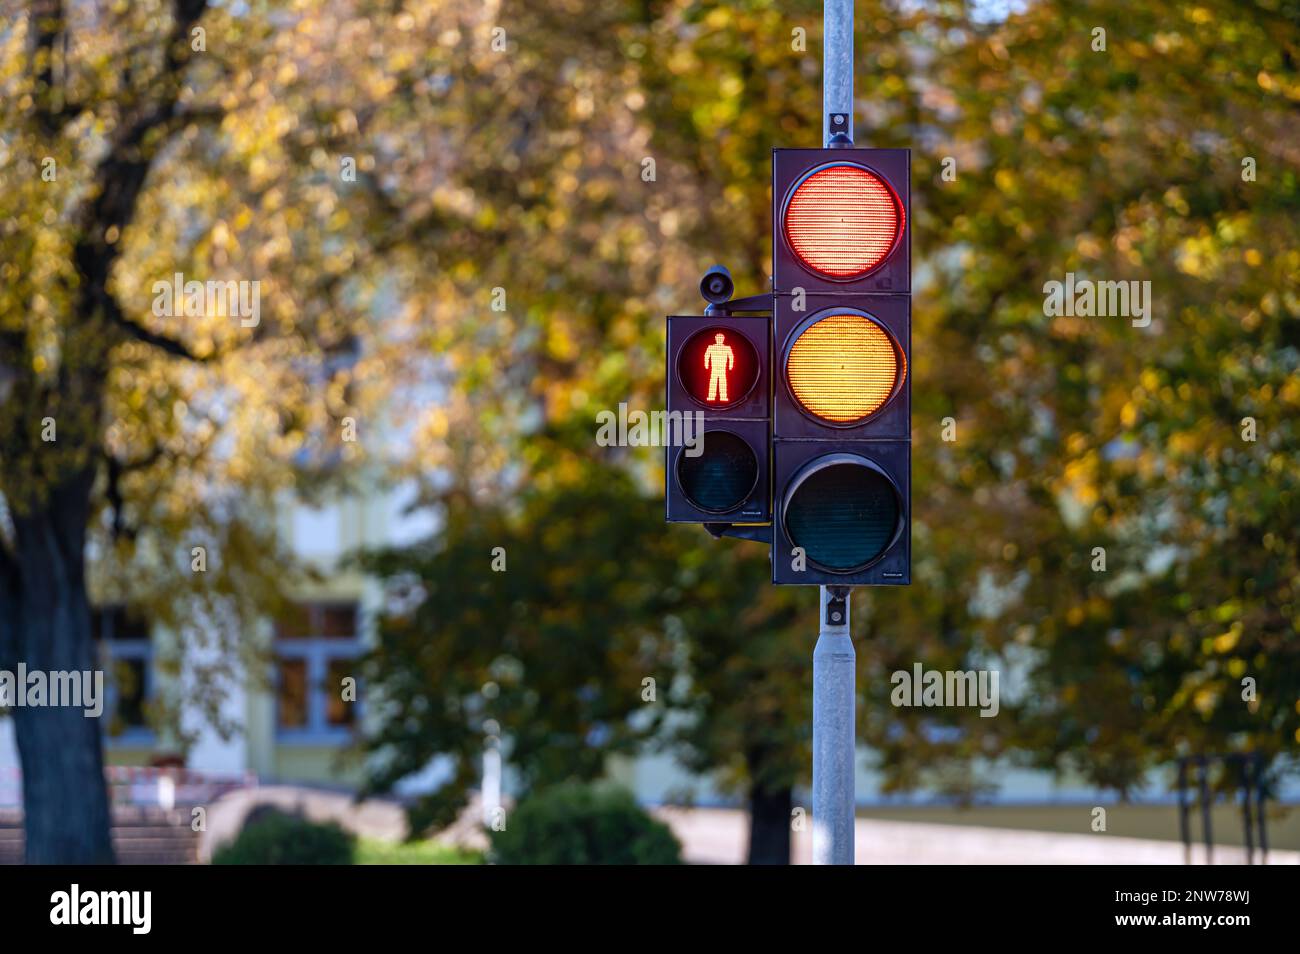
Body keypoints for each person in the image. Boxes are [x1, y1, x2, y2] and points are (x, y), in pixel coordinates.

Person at [704, 332, 735, 402]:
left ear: (723, 339)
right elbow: (707, 355)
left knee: (723, 382)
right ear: (716, 339)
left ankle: (723, 397)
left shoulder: (727, 348)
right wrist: (706, 364)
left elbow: (731, 357)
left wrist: (731, 365)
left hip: (722, 368)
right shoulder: (711, 347)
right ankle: (711, 397)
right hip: (714, 368)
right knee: (713, 382)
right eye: (718, 338)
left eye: (721, 338)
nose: (719, 339)